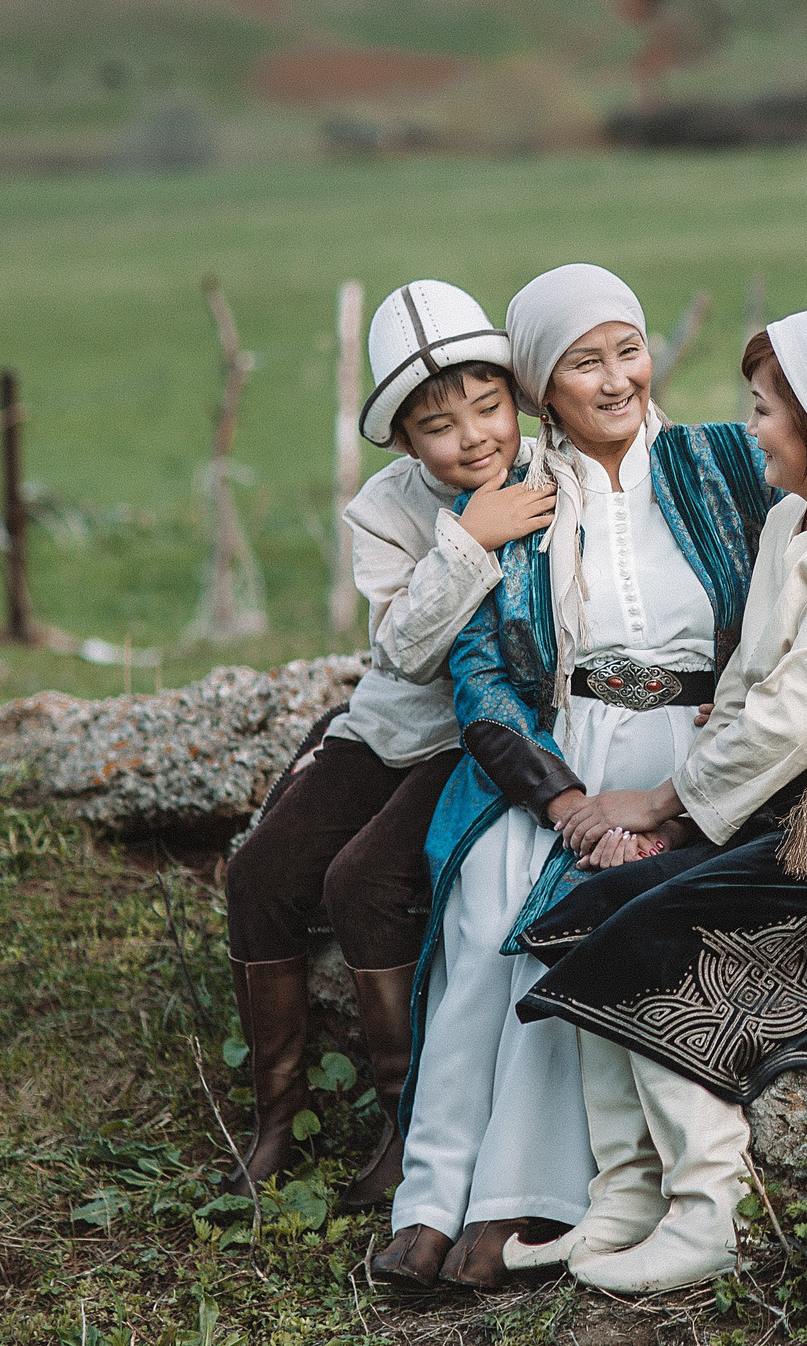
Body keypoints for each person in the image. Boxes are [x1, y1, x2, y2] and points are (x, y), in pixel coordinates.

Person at [372, 272, 807, 1293]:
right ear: (539, 388)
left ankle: (529, 1198)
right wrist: (564, 800)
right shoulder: (514, 490)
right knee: (487, 923)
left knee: (583, 922)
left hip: (713, 752)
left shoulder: (718, 457)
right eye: (582, 361)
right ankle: (435, 1197)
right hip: (571, 752)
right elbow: (476, 670)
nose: (615, 380)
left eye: (628, 350)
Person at [220, 281, 554, 1208]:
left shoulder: (558, 470)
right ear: (406, 439)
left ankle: (406, 1123)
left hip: (476, 740)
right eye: (439, 425)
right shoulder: (385, 508)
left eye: (490, 407)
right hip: (394, 724)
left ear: (517, 399)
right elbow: (401, 651)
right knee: (260, 874)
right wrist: (468, 541)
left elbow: (666, 448)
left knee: (363, 879)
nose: (474, 436)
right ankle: (277, 1114)